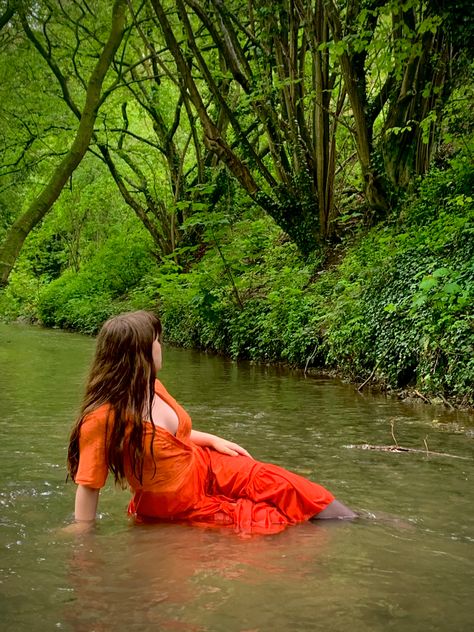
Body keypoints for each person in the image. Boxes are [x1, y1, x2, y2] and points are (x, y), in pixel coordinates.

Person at [68, 310, 356, 534]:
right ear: (139, 352)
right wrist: (83, 534)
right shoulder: (102, 419)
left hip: (205, 466)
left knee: (286, 485)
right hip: (181, 506)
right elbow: (89, 485)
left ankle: (362, 520)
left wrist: (213, 440)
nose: (161, 346)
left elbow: (174, 436)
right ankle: (356, 531)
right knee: (270, 522)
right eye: (158, 340)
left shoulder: (153, 386)